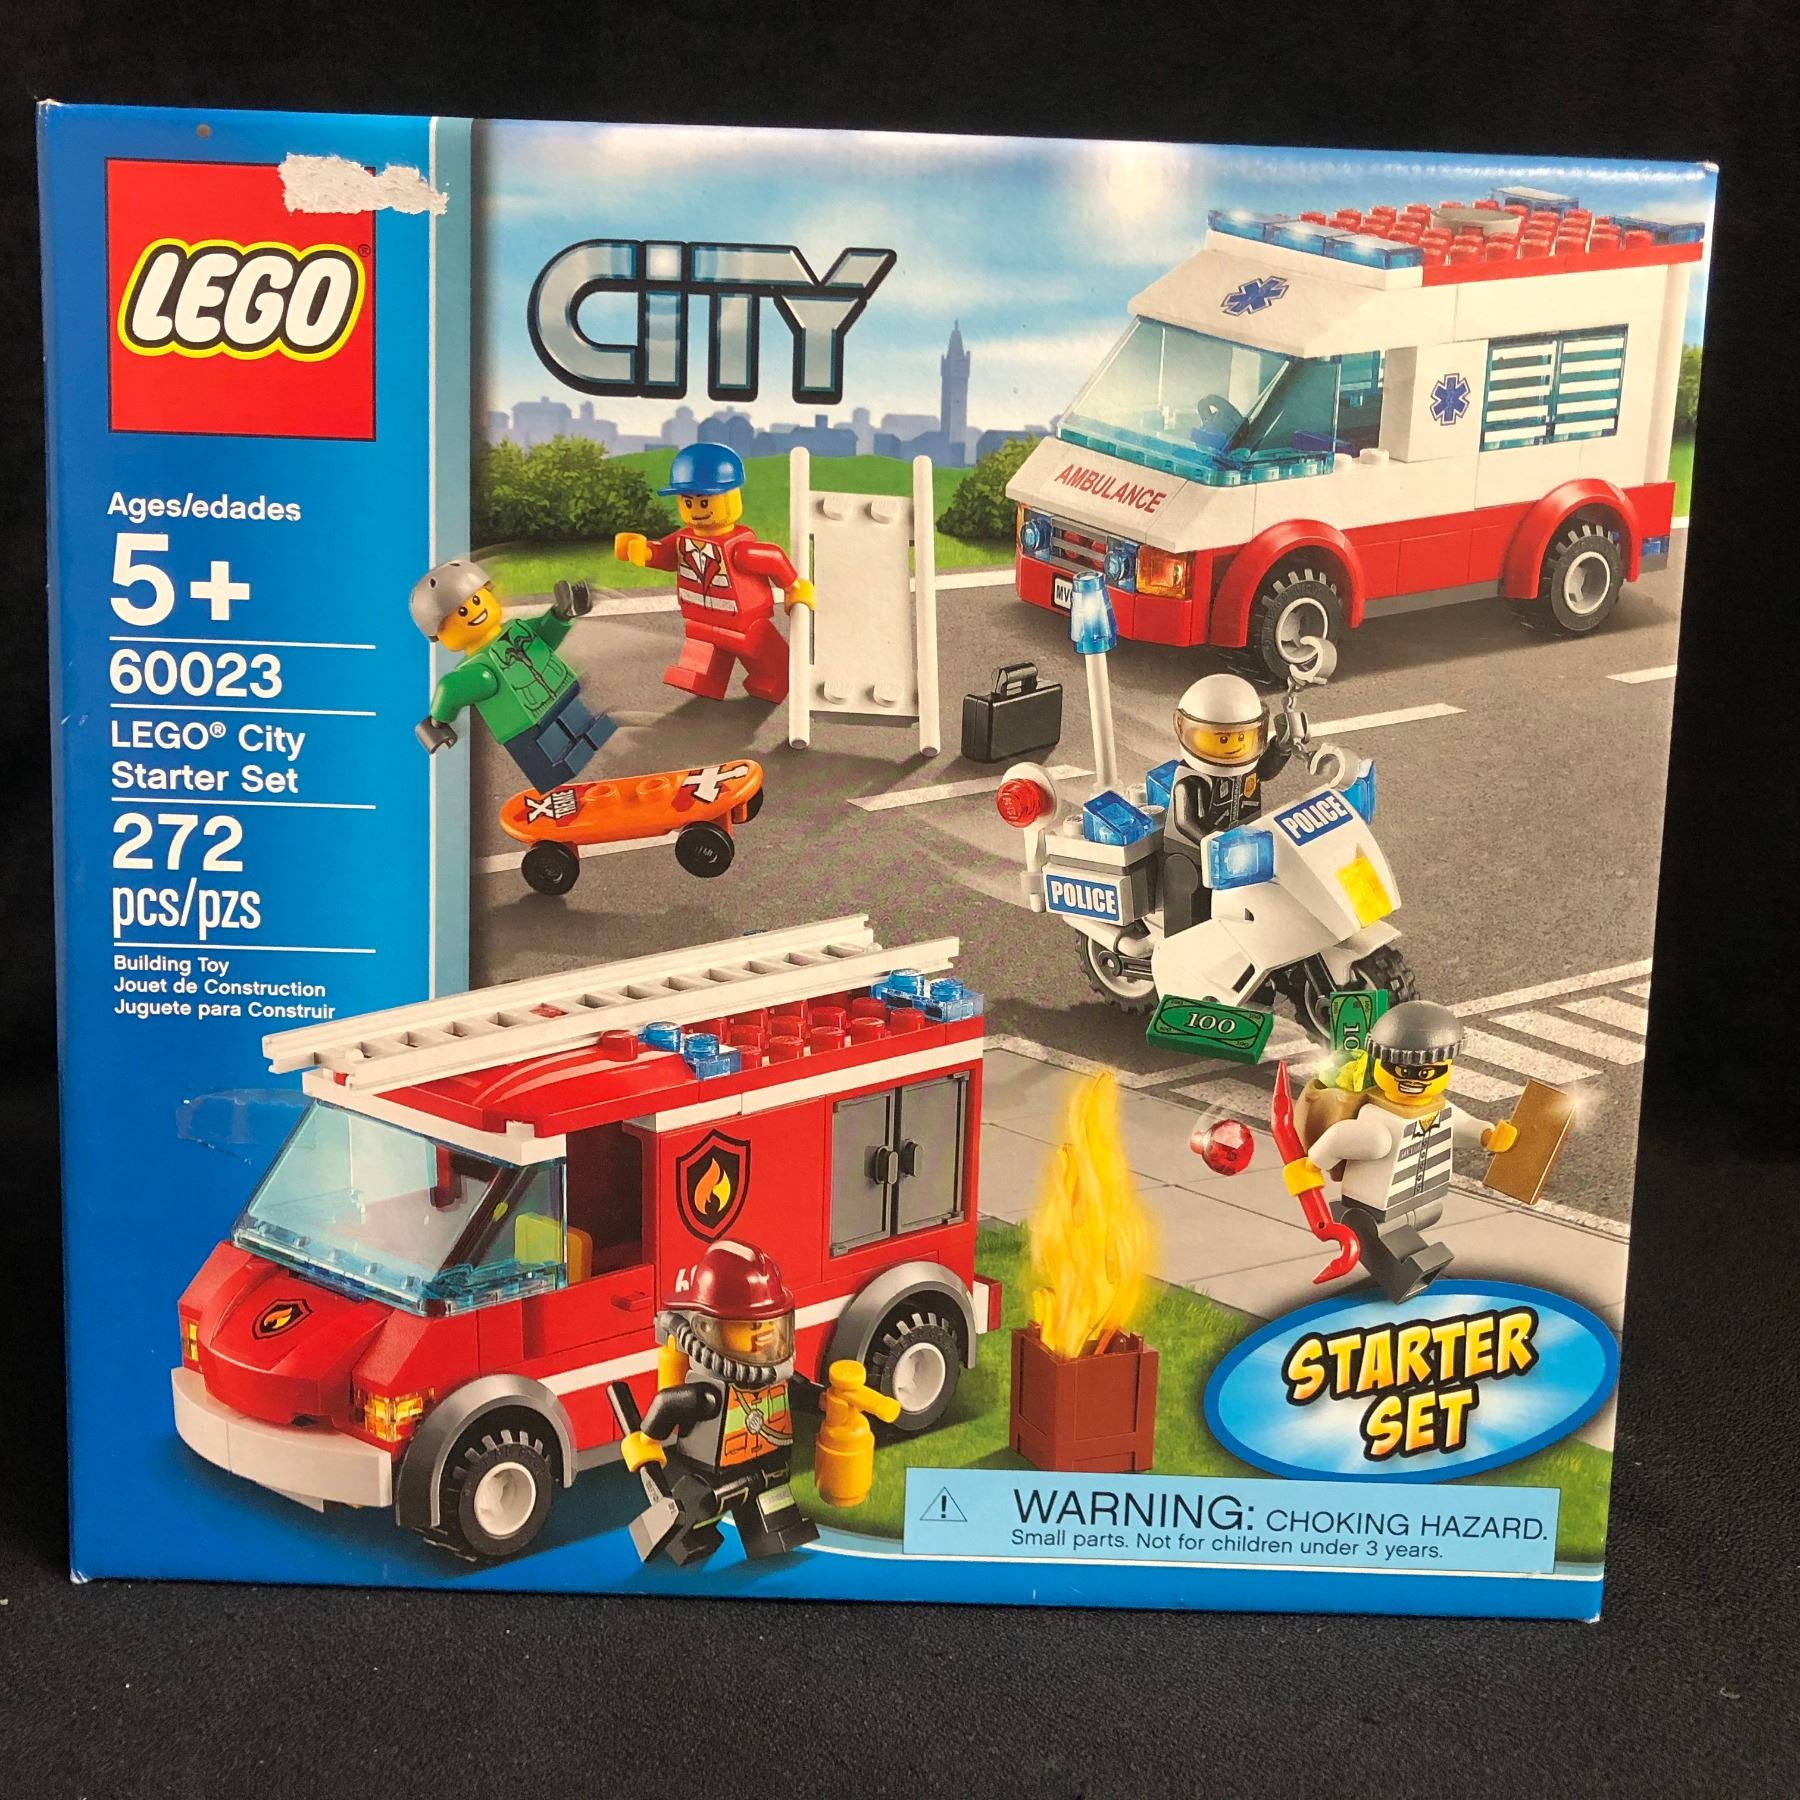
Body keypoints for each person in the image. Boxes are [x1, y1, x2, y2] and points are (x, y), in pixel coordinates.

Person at [1281, 1001, 1519, 1303]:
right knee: (1391, 1239)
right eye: (1402, 1069)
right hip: (1373, 1206)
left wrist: (1486, 1135)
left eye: (1428, 1071)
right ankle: (1403, 1277)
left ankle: (1410, 1276)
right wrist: (1311, 1164)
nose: (1414, 1080)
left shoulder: (1438, 1108)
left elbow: (1459, 1125)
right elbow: (1340, 1137)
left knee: (1409, 1237)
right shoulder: (1378, 1120)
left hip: (1423, 1200)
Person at [616, 1240, 820, 1566]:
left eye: (772, 1324)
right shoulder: (709, 1393)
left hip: (769, 1467)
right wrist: (647, 1439)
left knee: (772, 1501)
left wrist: (825, 1400)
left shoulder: (777, 1378)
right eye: (752, 1327)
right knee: (697, 1507)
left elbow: (801, 1392)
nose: (766, 1337)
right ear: (708, 1329)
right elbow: (668, 1403)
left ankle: (776, 1534)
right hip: (713, 1476)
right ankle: (686, 1539)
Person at [615, 443, 814, 704]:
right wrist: (643, 551)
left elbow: (773, 558)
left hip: (744, 621)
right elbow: (666, 554)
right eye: (688, 502)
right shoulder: (684, 538)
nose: (696, 510)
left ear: (731, 497)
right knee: (703, 647)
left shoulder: (739, 548)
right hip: (699, 618)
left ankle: (776, 676)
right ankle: (703, 677)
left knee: (761, 653)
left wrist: (793, 586)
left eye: (704, 501)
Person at [410, 558, 613, 792]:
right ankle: (558, 780)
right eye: (462, 611)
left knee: (580, 729)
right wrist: (438, 720)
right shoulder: (475, 668)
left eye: (476, 600)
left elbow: (544, 636)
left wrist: (561, 615)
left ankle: (590, 741)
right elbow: (450, 688)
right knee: (550, 762)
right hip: (524, 727)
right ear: (438, 634)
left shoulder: (517, 629)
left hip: (560, 695)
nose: (474, 611)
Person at [1160, 671, 1297, 935]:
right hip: (1195, 855)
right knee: (1192, 898)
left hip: (1241, 847)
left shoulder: (1247, 771)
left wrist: (1283, 747)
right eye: (1222, 739)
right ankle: (1184, 947)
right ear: (1183, 727)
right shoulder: (1190, 780)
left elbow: (1267, 770)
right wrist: (1214, 839)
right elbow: (1185, 821)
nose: (1233, 747)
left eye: (1242, 737)